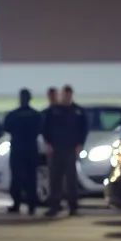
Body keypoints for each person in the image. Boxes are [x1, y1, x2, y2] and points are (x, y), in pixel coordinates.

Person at [41, 84, 89, 217]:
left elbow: (84, 129)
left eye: (68, 95)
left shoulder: (78, 111)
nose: (66, 97)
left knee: (71, 179)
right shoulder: (54, 111)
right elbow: (45, 128)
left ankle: (73, 206)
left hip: (71, 148)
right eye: (64, 95)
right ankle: (55, 205)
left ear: (71, 95)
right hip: (56, 148)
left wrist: (80, 144)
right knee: (55, 178)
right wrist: (48, 144)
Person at [2, 89, 43, 216]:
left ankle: (17, 204)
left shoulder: (13, 115)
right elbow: (40, 129)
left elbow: (6, 127)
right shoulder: (36, 115)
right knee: (30, 178)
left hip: (18, 148)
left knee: (17, 178)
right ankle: (31, 205)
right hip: (30, 148)